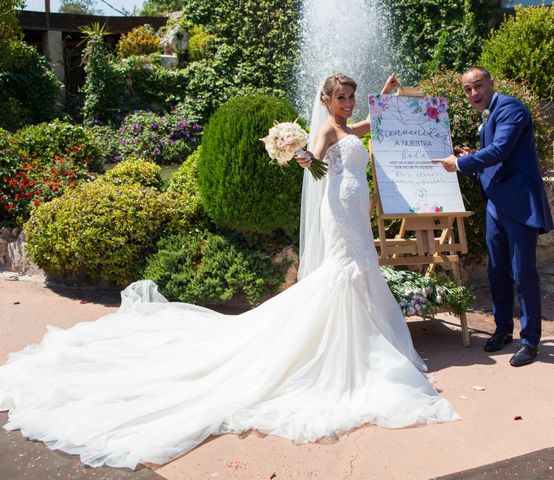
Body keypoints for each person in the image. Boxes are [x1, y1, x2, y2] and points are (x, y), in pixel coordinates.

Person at [0, 74, 458, 470]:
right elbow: (314, 161)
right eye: (341, 98)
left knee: (360, 271)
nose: (348, 104)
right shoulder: (326, 133)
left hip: (354, 203)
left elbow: (372, 123)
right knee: (344, 273)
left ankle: (366, 342)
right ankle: (348, 350)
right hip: (340, 208)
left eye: (351, 97)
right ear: (325, 100)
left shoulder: (348, 126)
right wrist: (298, 153)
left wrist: (387, 93)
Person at [432, 66, 554, 367]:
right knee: (497, 270)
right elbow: (495, 152)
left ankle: (530, 340)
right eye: (467, 89)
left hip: (519, 205)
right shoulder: (488, 113)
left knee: (523, 272)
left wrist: (461, 162)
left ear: (490, 83)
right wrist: (472, 155)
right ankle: (503, 329)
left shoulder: (510, 107)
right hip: (496, 205)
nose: (473, 93)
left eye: (478, 86)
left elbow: (500, 150)